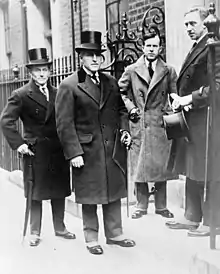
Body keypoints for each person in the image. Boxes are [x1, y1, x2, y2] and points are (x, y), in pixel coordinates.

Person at [55, 30, 135, 255]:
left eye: (98, 55)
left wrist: (125, 131)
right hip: (87, 150)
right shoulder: (70, 85)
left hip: (111, 147)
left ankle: (115, 233)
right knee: (90, 194)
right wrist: (74, 153)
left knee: (113, 190)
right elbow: (64, 123)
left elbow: (121, 110)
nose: (95, 59)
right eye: (89, 55)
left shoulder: (110, 82)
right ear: (81, 57)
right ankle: (91, 237)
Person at [0, 48, 75, 246]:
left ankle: (60, 227)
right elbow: (6, 121)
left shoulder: (58, 93)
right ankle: (34, 232)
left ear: (50, 71)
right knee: (35, 192)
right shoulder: (21, 94)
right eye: (37, 70)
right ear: (31, 72)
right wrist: (20, 145)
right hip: (35, 151)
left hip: (58, 149)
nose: (42, 74)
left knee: (59, 189)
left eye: (45, 69)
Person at [166, 6, 220, 237]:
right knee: (192, 169)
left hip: (209, 120)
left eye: (192, 24)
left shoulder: (213, 47)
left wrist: (189, 98)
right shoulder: (196, 47)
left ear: (205, 24)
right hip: (193, 119)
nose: (188, 28)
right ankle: (192, 216)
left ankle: (212, 221)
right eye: (185, 24)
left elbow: (217, 87)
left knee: (209, 171)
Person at [118, 26, 177, 219]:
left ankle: (161, 206)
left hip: (159, 122)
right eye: (148, 45)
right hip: (140, 121)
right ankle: (141, 206)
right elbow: (121, 92)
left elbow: (174, 94)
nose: (152, 49)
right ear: (142, 47)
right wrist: (131, 108)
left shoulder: (168, 70)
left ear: (160, 48)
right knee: (140, 165)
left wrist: (170, 112)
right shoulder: (132, 70)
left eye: (155, 46)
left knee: (161, 165)